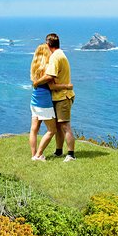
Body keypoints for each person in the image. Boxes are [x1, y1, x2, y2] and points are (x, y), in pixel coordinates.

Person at [33, 33, 76, 161]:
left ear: (48, 44)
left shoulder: (55, 57)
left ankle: (71, 154)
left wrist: (36, 82)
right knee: (58, 126)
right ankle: (59, 151)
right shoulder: (60, 54)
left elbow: (50, 77)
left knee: (64, 126)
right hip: (60, 96)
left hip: (63, 96)